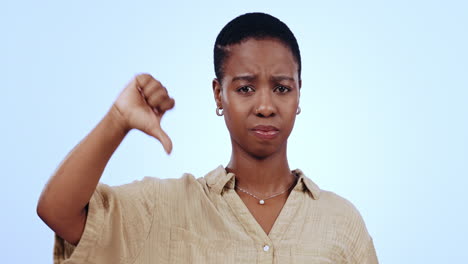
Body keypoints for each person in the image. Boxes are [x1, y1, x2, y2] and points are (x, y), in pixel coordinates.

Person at [37, 12, 378, 263]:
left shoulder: (341, 222)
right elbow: (59, 212)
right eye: (245, 88)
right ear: (219, 95)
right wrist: (116, 121)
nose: (265, 105)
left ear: (298, 94)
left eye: (281, 88)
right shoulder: (163, 209)